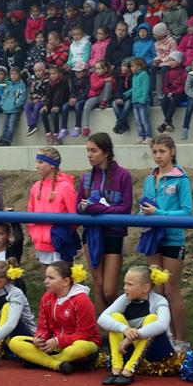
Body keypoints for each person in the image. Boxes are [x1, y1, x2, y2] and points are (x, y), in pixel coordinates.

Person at [139, 135, 193, 346]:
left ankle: (181, 341)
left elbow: (187, 213)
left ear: (172, 152)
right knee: (157, 290)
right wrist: (142, 212)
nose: (158, 156)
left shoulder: (181, 179)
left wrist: (158, 212)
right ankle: (166, 339)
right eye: (154, 152)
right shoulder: (149, 179)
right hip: (152, 237)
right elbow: (144, 206)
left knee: (171, 289)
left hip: (172, 238)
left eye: (162, 151)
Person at [9, 261, 100, 374]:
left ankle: (40, 361)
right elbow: (43, 327)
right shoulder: (47, 298)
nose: (45, 281)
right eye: (46, 277)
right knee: (15, 341)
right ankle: (57, 364)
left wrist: (57, 341)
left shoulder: (82, 300)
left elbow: (84, 334)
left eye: (51, 278)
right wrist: (39, 338)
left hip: (79, 344)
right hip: (54, 345)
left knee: (81, 347)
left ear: (66, 281)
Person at [76, 133, 133, 315]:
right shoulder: (85, 177)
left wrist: (98, 208)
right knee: (98, 285)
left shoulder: (123, 175)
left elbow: (125, 209)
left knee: (109, 290)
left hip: (113, 234)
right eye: (87, 151)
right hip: (91, 234)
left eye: (94, 151)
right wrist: (85, 207)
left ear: (106, 152)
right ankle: (101, 335)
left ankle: (118, 325)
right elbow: (78, 207)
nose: (89, 155)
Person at [98, 265, 175, 385]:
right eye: (125, 284)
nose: (125, 288)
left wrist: (130, 337)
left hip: (157, 354)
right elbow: (102, 318)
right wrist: (124, 329)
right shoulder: (125, 299)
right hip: (130, 350)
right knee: (115, 318)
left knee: (152, 318)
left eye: (130, 284)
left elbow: (162, 325)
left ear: (145, 288)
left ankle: (130, 369)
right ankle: (116, 368)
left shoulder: (160, 301)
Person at [27, 148, 77, 266]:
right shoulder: (35, 187)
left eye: (40, 162)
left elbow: (74, 216)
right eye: (37, 162)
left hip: (59, 243)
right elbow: (30, 214)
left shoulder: (65, 187)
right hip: (40, 243)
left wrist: (61, 235)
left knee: (62, 279)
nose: (37, 166)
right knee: (48, 281)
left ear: (52, 165)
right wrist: (35, 234)